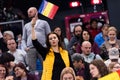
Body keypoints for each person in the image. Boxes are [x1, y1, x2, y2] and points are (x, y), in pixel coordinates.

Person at [22, 7, 51, 71]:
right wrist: (25, 47)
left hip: (42, 47)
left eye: (30, 12)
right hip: (30, 49)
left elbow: (49, 35)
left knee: (46, 66)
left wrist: (46, 46)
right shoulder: (26, 25)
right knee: (31, 69)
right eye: (28, 13)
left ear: (36, 12)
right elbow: (23, 39)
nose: (29, 13)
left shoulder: (44, 23)